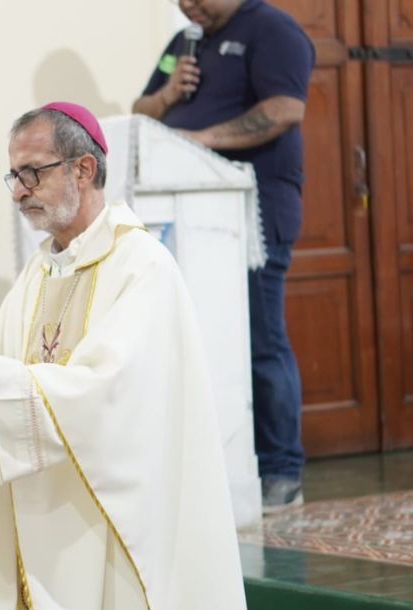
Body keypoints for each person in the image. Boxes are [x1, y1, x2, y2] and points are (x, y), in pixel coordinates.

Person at [0, 102, 257, 610]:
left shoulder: (142, 266)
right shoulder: (41, 274)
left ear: (84, 169)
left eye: (32, 173)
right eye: (12, 177)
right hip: (50, 519)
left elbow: (113, 396)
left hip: (115, 524)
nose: (19, 192)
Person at [132, 0, 315, 512]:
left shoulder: (272, 29)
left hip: (252, 212)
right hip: (190, 219)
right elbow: (140, 111)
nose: (188, 6)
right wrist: (168, 94)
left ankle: (281, 469)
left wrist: (198, 143)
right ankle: (221, 465)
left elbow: (284, 109)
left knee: (261, 340)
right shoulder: (184, 43)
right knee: (201, 345)